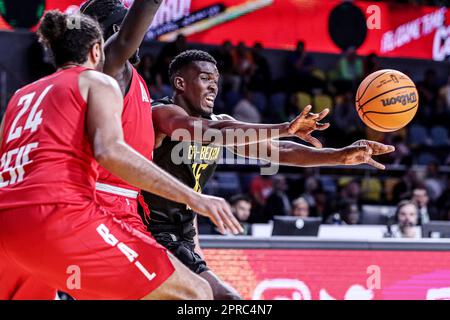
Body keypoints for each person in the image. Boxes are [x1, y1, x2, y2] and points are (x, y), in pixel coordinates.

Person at [0, 10, 241, 300]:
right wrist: (193, 197)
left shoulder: (21, 96)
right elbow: (110, 151)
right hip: (60, 216)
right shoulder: (97, 80)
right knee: (196, 293)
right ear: (97, 49)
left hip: (9, 224)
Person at [138, 49, 395, 300]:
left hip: (182, 234)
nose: (213, 87)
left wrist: (339, 156)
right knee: (225, 298)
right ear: (180, 83)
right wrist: (284, 127)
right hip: (148, 231)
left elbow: (280, 151)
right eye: (205, 79)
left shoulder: (220, 121)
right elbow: (207, 130)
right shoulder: (162, 113)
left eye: (216, 80)